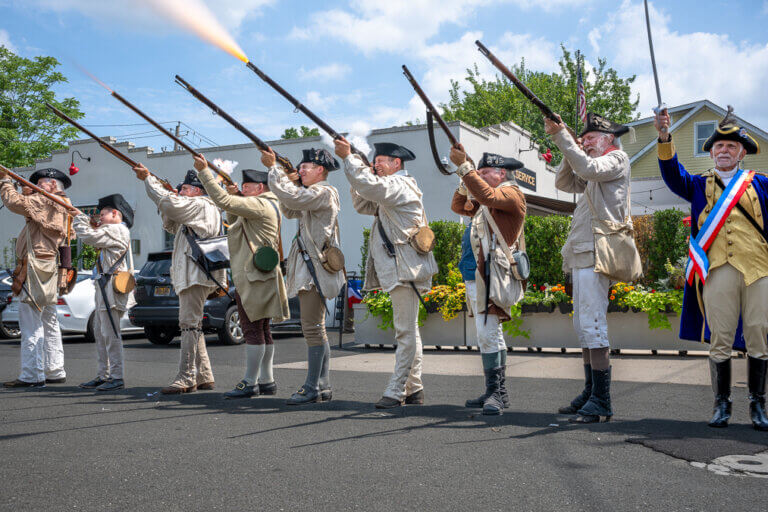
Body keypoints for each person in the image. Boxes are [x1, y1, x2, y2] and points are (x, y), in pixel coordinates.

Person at [655, 107, 768, 431]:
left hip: (758, 269)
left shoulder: (759, 184)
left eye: (731, 146)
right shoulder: (698, 184)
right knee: (720, 337)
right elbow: (672, 174)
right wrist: (665, 138)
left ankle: (758, 405)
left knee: (759, 333)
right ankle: (722, 404)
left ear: (742, 152)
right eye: (718, 146)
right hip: (718, 270)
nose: (723, 150)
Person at [335, 138, 437, 409]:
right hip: (400, 269)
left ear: (396, 163)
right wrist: (359, 174)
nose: (376, 165)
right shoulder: (389, 189)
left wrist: (349, 160)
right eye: (375, 161)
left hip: (405, 270)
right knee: (408, 330)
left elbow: (369, 187)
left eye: (380, 162)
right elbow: (362, 203)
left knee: (405, 332)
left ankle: (396, 389)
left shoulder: (401, 184)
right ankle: (414, 388)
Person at [547, 112, 633, 423]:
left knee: (594, 325)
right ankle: (591, 391)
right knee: (584, 326)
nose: (587, 141)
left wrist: (564, 139)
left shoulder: (617, 159)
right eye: (584, 137)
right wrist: (571, 148)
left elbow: (587, 169)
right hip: (585, 252)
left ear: (610, 139)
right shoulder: (593, 163)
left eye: (592, 137)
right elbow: (564, 180)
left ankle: (601, 399)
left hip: (598, 252)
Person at [193, 156, 289, 400]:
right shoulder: (263, 204)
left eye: (247, 187)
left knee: (252, 330)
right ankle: (266, 380)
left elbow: (223, 201)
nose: (243, 189)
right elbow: (234, 220)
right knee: (262, 330)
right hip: (259, 275)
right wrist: (232, 193)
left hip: (253, 277)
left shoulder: (259, 204)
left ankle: (250, 381)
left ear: (260, 188)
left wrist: (205, 173)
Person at [133, 164, 224, 394]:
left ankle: (186, 377)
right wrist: (163, 192)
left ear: (196, 190)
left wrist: (148, 180)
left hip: (196, 274)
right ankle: (204, 375)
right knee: (193, 324)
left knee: (188, 324)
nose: (180, 192)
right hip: (193, 274)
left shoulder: (201, 203)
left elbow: (170, 203)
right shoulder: (196, 206)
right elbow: (171, 220)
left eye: (184, 188)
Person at [450, 149, 527, 415]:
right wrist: (466, 178)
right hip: (479, 274)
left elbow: (486, 195)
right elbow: (459, 206)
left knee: (488, 333)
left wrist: (465, 168)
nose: (480, 177)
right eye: (479, 173)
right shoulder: (489, 199)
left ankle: (497, 393)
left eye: (485, 173)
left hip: (491, 274)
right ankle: (495, 392)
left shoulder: (510, 193)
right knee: (489, 335)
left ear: (501, 173)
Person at [266, 148, 344, 404]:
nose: (300, 170)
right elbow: (290, 209)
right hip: (310, 268)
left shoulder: (323, 191)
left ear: (320, 170)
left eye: (306, 167)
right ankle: (322, 385)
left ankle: (312, 386)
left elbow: (293, 200)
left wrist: (274, 170)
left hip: (314, 270)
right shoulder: (312, 194)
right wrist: (290, 181)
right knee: (316, 327)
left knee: (312, 328)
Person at [1, 168, 70, 388]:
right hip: (47, 266)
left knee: (30, 322)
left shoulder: (46, 200)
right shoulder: (61, 203)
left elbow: (14, 203)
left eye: (41, 183)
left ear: (52, 185)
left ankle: (32, 374)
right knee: (49, 321)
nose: (37, 187)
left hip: (35, 266)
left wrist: (5, 181)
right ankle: (55, 369)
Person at [73, 194, 135, 392]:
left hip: (111, 287)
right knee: (101, 334)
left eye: (103, 213)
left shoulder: (116, 229)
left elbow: (89, 237)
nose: (99, 218)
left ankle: (116, 376)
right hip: (104, 286)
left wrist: (79, 218)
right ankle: (103, 375)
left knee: (110, 334)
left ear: (115, 213)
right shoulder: (111, 229)